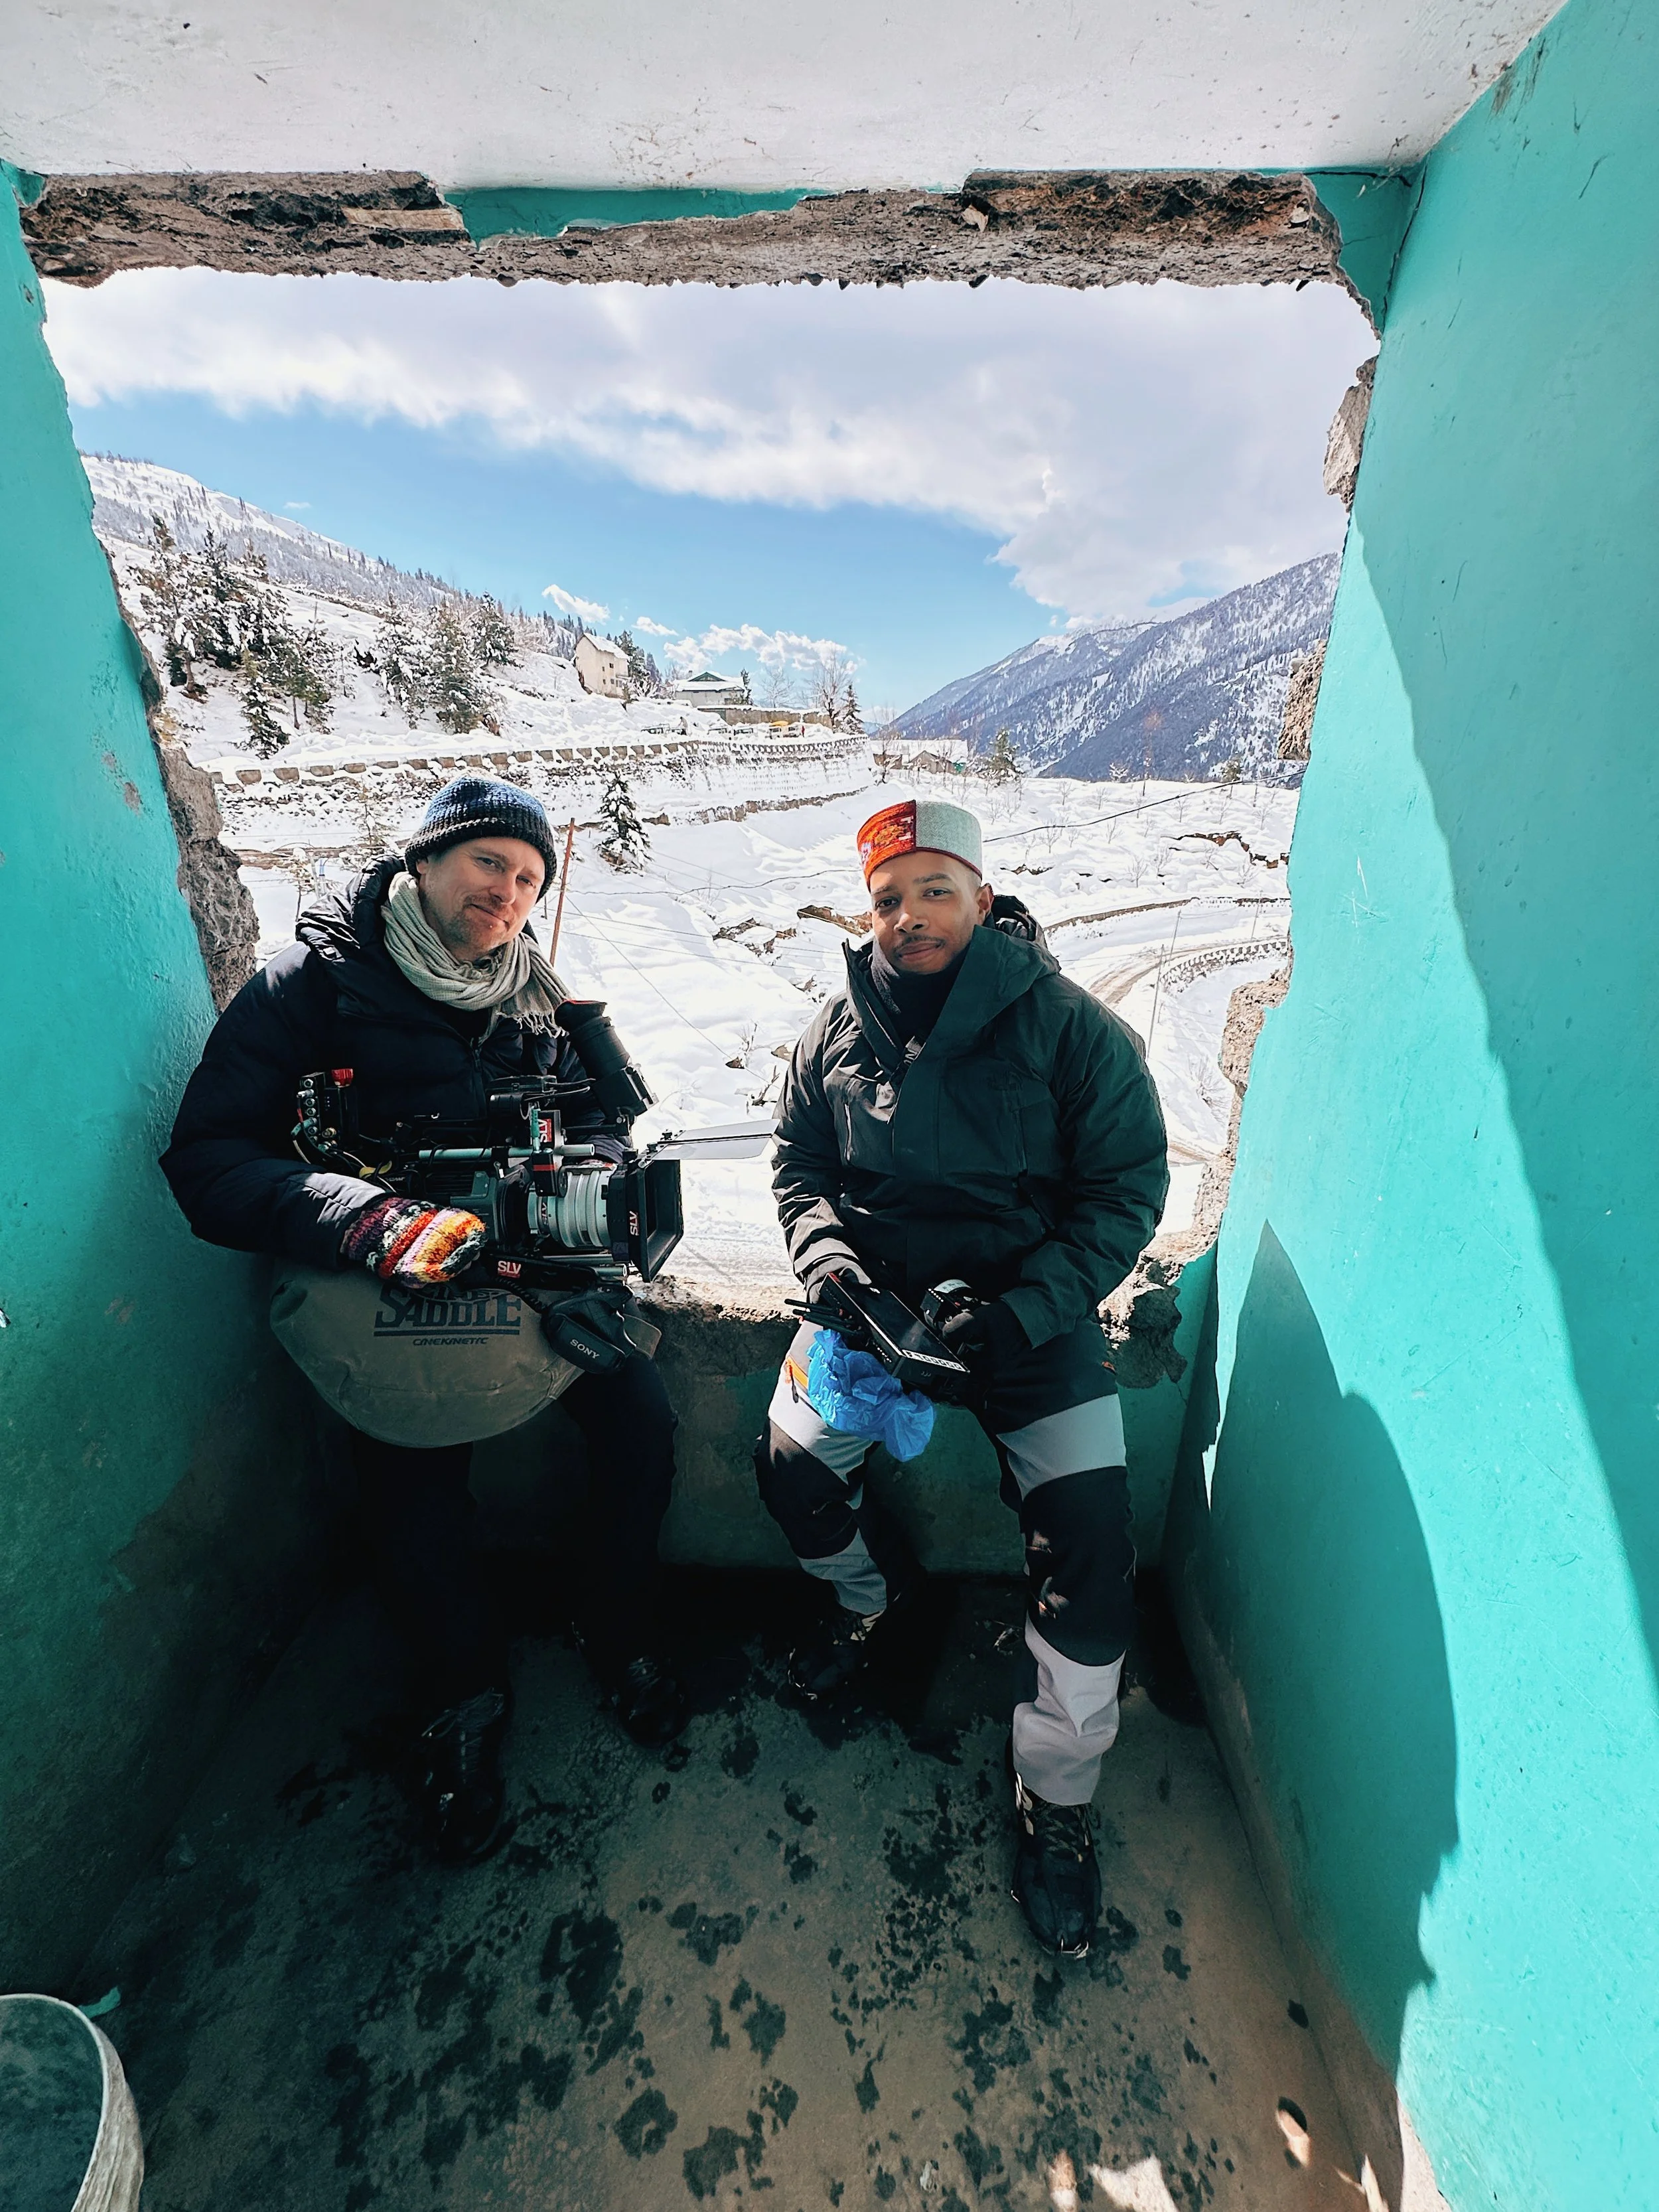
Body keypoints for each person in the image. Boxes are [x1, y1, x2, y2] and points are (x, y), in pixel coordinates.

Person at [162, 776, 687, 1866]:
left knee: (638, 1415)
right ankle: (463, 1692)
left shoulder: (532, 992)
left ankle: (615, 1622)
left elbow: (597, 1131)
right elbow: (208, 1163)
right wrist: (362, 1218)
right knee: (406, 1472)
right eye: (490, 863)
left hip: (526, 1265)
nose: (508, 894)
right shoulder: (310, 986)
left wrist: (587, 1200)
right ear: (427, 862)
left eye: (529, 879)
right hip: (371, 1272)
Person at [757, 796, 1169, 1958]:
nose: (910, 917)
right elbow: (796, 1170)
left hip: (1030, 1325)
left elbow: (1126, 1190)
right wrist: (837, 1272)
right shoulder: (831, 1029)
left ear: (983, 899)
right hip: (873, 1317)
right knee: (789, 1466)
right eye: (889, 899)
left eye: (935, 891)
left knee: (1089, 1540)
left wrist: (1028, 1308)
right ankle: (867, 1602)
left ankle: (1059, 1791)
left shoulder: (1068, 1029)